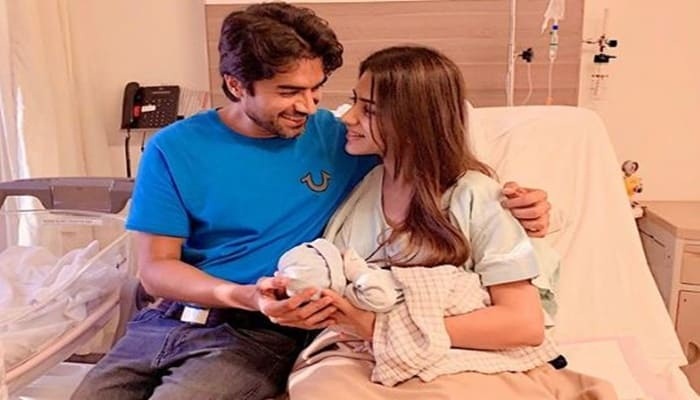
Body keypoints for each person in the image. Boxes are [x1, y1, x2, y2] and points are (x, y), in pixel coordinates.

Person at [71, 3, 552, 400]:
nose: (309, 106)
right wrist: (240, 293)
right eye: (289, 91)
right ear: (237, 85)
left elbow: (430, 159)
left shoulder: (342, 140)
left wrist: (526, 203)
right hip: (163, 320)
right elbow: (156, 268)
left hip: (261, 333)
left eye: (317, 88)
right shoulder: (173, 148)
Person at [288, 46, 617, 399]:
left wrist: (383, 328)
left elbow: (524, 323)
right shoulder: (363, 189)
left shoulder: (476, 196)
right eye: (355, 102)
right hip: (364, 357)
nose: (348, 118)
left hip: (458, 354)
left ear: (413, 120)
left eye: (368, 110)